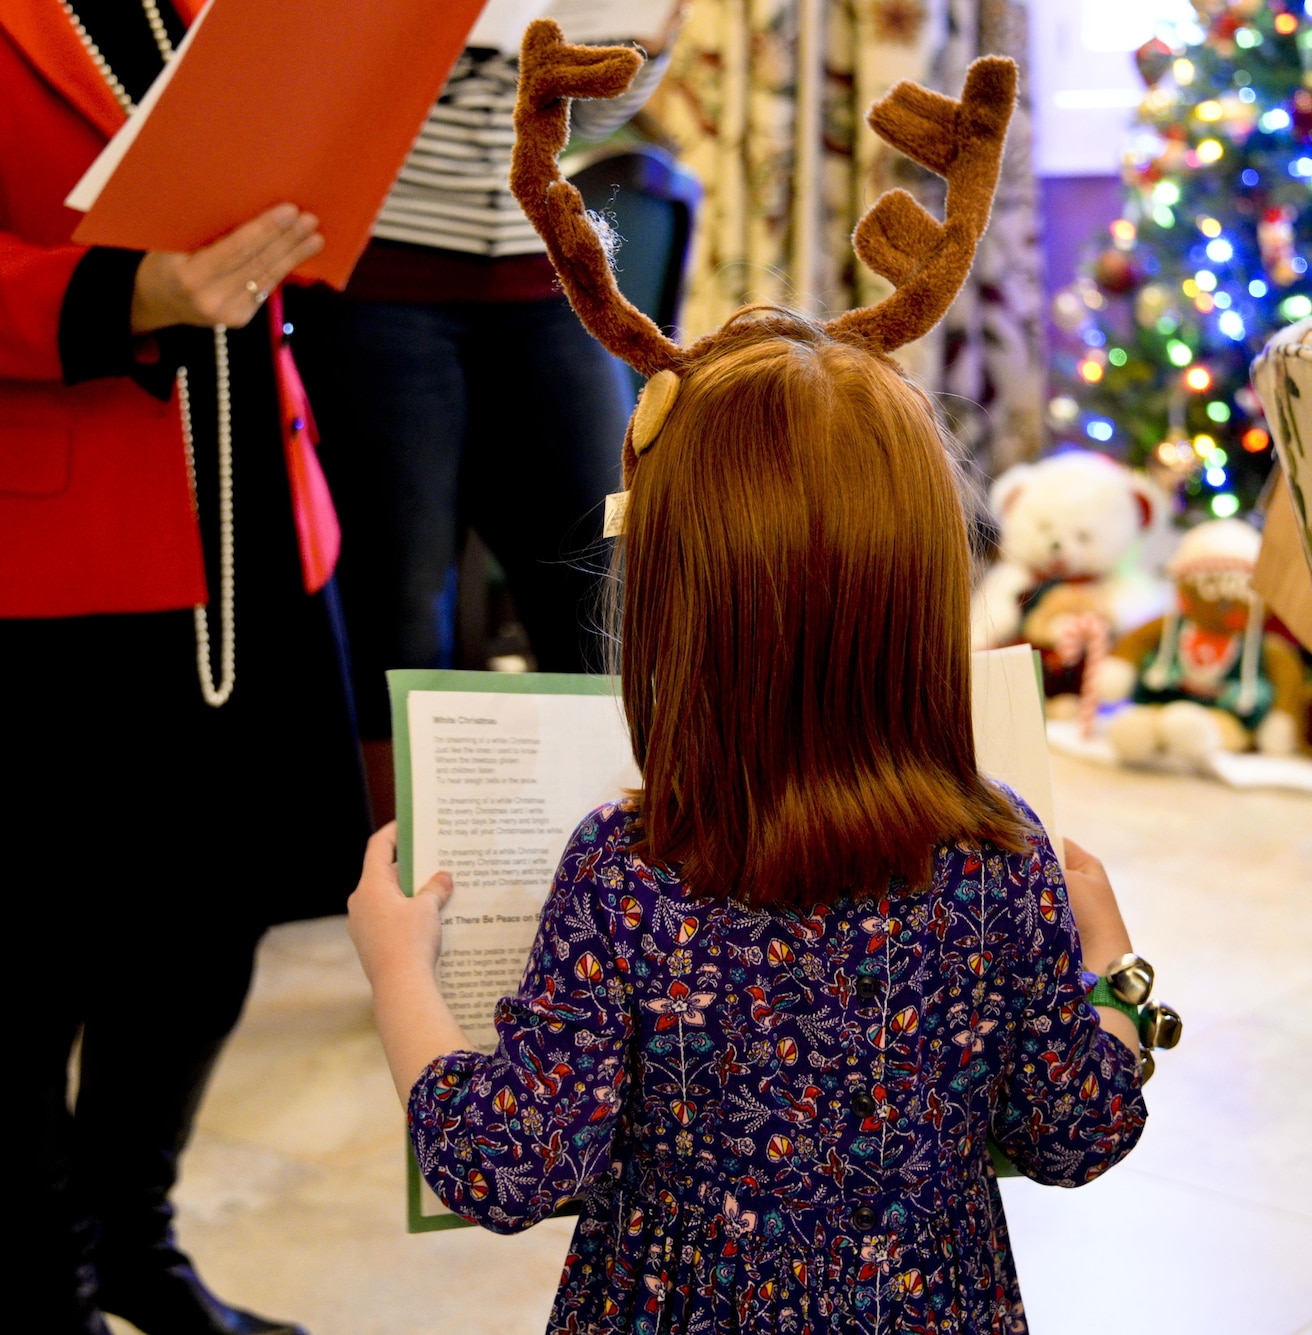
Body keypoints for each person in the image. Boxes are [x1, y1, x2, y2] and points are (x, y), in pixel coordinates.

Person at [346, 32, 1149, 1329]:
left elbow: (504, 1160)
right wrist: (1111, 957)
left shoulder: (631, 866)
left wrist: (397, 966)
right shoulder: (1006, 854)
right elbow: (1075, 1128)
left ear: (671, 601)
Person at [0, 2, 370, 1332]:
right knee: (9, 952)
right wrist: (130, 290)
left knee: (214, 909)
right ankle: (28, 1278)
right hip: (23, 543)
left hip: (257, 505)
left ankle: (134, 1237)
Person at [286, 3, 679, 822]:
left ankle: (619, 851)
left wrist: (654, 32)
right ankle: (406, 862)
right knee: (398, 599)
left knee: (610, 575)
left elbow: (587, 116)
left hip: (541, 279)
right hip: (379, 278)